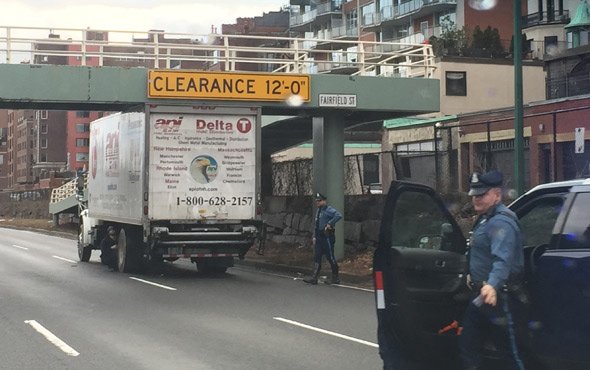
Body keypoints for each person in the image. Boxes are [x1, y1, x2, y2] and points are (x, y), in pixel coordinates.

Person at [459, 171, 526, 370]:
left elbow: (502, 260)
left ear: (497, 195)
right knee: (469, 345)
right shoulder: (485, 218)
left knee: (507, 354)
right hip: (481, 297)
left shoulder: (501, 222)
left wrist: (492, 285)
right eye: (474, 194)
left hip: (497, 297)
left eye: (481, 195)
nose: (475, 199)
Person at [303, 192, 342, 285]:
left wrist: (330, 223)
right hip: (319, 237)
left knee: (330, 257)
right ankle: (314, 277)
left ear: (324, 201)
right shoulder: (318, 211)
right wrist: (314, 237)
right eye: (317, 201)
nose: (318, 203)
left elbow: (338, 215)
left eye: (319, 201)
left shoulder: (329, 210)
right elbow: (316, 225)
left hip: (327, 237)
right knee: (317, 256)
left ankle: (335, 277)